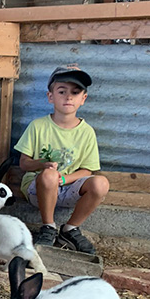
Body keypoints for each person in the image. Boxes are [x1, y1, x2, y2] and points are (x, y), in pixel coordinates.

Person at [14, 64, 110, 254]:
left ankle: (70, 229)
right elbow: (24, 163)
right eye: (62, 91)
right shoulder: (38, 126)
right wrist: (43, 164)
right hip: (39, 189)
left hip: (68, 187)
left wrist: (64, 179)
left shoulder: (87, 132)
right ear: (50, 96)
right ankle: (48, 227)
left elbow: (87, 171)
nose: (68, 97)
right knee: (49, 175)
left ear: (83, 99)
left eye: (75, 92)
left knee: (101, 184)